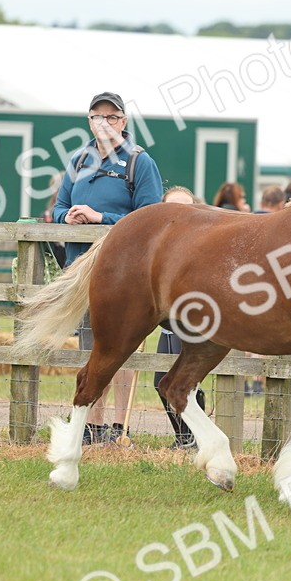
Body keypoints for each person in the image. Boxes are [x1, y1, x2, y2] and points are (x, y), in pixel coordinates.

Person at [53, 91, 164, 444]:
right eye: (97, 117)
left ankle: (119, 427)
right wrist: (67, 216)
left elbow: (151, 219)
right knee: (89, 345)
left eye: (112, 117)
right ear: (89, 121)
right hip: (81, 267)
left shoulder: (139, 162)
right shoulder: (78, 159)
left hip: (124, 273)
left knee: (122, 346)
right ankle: (91, 424)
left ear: (124, 122)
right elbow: (57, 207)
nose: (105, 124)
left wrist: (102, 219)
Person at [154, 186, 206, 448]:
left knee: (189, 380)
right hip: (167, 323)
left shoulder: (201, 241)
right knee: (159, 381)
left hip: (193, 321)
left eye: (186, 208)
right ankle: (183, 436)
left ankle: (194, 437)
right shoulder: (158, 245)